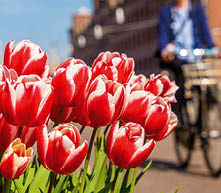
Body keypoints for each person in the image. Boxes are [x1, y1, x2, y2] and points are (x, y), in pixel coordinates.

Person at [157, 0, 219, 125]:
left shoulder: (196, 9)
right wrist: (165, 50)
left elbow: (205, 33)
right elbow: (163, 36)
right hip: (178, 56)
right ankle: (177, 117)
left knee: (207, 87)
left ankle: (203, 123)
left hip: (195, 56)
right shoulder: (166, 12)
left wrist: (214, 49)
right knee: (180, 82)